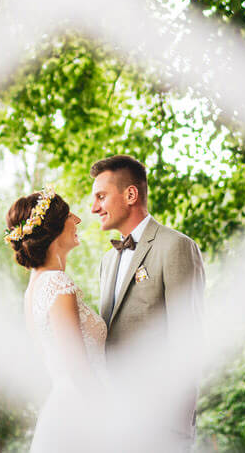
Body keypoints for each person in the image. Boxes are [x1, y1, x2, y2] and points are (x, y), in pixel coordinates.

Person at [92, 154, 205, 448]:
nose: (94, 208)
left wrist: (178, 425)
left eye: (101, 197)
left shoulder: (176, 246)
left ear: (131, 194)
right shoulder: (106, 262)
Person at [5, 185, 107, 451]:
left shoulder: (34, 288)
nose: (78, 220)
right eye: (70, 215)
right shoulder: (57, 284)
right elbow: (79, 370)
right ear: (54, 229)